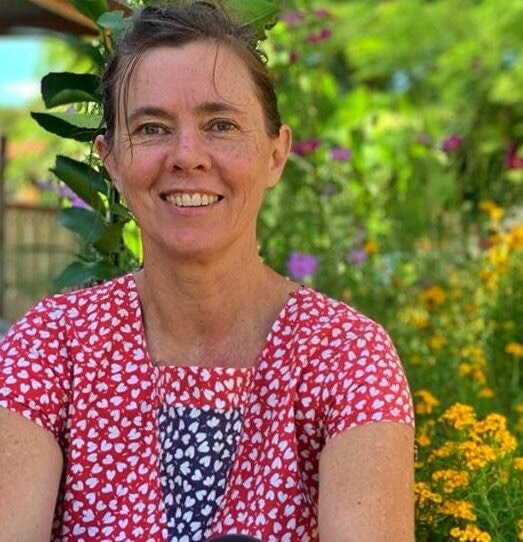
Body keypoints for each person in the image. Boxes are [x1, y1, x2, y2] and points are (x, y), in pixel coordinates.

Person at [0, 3, 415, 541]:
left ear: (275, 153)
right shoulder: (52, 349)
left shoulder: (345, 357)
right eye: (152, 128)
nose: (187, 155)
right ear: (111, 162)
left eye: (221, 124)